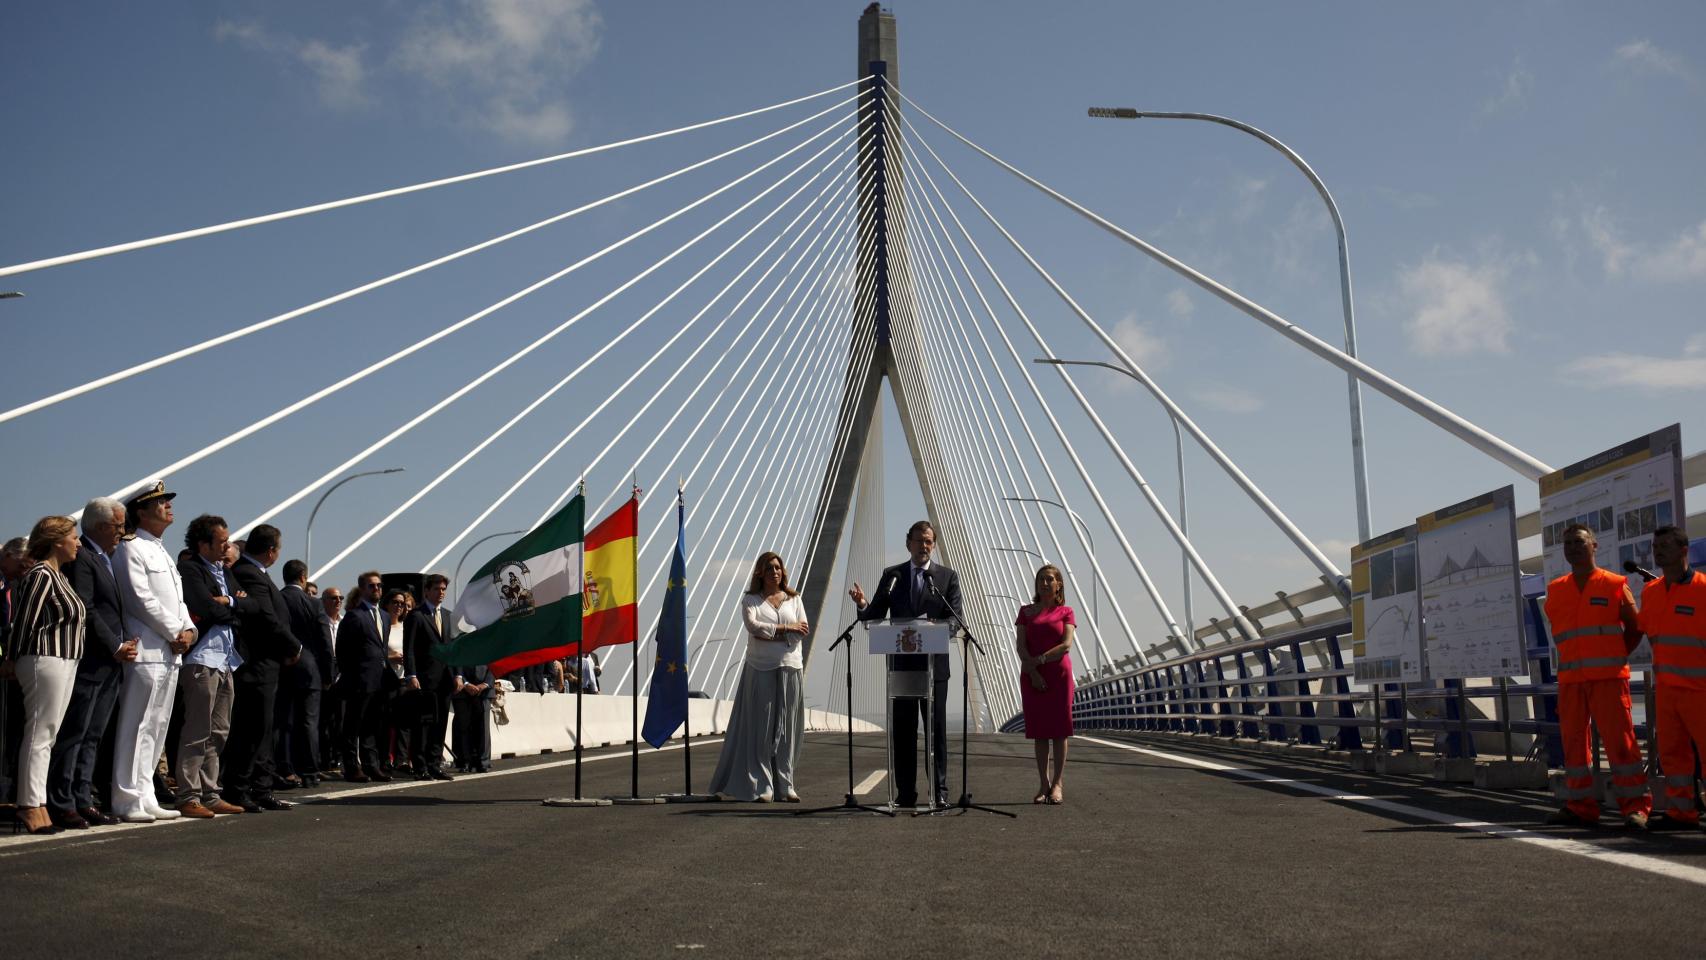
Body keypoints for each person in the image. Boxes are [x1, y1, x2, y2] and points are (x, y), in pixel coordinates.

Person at [1542, 522, 1649, 828]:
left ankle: (1635, 807)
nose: (1573, 548)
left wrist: (1615, 657)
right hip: (1572, 681)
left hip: (1609, 678)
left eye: (1579, 542)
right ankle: (1579, 806)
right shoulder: (1556, 589)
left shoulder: (1614, 584)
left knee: (1622, 742)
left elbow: (1635, 627)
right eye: (1568, 544)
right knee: (1574, 744)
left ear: (1594, 545)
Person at [849, 520, 962, 808]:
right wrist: (863, 604)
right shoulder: (893, 576)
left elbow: (955, 619)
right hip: (900, 667)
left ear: (933, 545)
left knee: (935, 730)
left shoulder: (947, 577)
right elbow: (874, 613)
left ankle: (939, 792)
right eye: (919, 540)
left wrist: (939, 631)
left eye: (929, 541)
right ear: (908, 542)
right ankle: (906, 794)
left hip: (934, 668)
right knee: (904, 730)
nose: (924, 546)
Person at [46, 499, 135, 828]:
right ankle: (62, 800)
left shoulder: (105, 559)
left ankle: (83, 798)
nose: (122, 533)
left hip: (110, 662)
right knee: (75, 732)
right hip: (92, 660)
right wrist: (115, 645)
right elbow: (87, 608)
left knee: (94, 734)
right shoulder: (84, 558)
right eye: (118, 526)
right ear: (100, 526)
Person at [111, 482, 195, 823]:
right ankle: (125, 797)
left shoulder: (161, 550)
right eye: (160, 502)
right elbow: (140, 599)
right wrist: (176, 631)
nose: (167, 506)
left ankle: (145, 793)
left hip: (169, 651)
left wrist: (189, 630)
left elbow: (178, 601)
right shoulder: (130, 548)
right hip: (146, 648)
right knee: (136, 724)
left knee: (157, 726)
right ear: (141, 512)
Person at [3, 517, 86, 834]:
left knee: (46, 735)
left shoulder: (59, 577)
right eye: (73, 537)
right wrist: (11, 657)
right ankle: (29, 804)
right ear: (56, 541)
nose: (77, 543)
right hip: (44, 658)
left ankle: (37, 802)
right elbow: (24, 620)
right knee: (39, 733)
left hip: (65, 659)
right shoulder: (40, 575)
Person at [708, 552, 808, 802]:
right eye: (769, 567)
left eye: (778, 567)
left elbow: (802, 630)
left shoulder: (795, 600)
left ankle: (786, 784)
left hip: (791, 667)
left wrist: (771, 633)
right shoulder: (751, 600)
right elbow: (753, 628)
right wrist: (786, 629)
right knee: (762, 731)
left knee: (787, 731)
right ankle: (764, 785)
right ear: (760, 573)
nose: (775, 571)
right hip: (761, 668)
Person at [223, 525, 304, 812]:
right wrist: (293, 646)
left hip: (267, 663)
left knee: (263, 728)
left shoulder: (258, 574)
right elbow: (267, 619)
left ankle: (260, 787)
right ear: (272, 551)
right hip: (257, 664)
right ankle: (239, 787)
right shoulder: (249, 573)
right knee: (252, 728)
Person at [174, 514, 248, 818]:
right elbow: (204, 607)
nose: (226, 547)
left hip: (227, 659)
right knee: (197, 729)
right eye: (221, 542)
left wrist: (228, 603)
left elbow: (248, 605)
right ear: (203, 544)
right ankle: (188, 794)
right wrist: (233, 606)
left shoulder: (225, 572)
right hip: (202, 658)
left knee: (219, 730)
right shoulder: (191, 569)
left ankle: (211, 792)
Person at [1640, 525, 1706, 831]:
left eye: (1664, 545)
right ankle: (1682, 813)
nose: (1658, 551)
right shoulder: (1651, 592)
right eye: (1655, 546)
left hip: (1700, 690)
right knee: (1673, 755)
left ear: (1683, 550)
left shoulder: (1703, 589)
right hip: (1666, 691)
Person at [1016, 564, 1076, 805]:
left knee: (1060, 731)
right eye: (1041, 579)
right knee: (1040, 732)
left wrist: (1040, 661)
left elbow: (1066, 644)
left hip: (1058, 676)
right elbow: (1021, 646)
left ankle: (1058, 784)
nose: (1045, 583)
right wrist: (1033, 672)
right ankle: (1043, 784)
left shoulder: (1066, 612)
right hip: (1032, 675)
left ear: (1059, 584)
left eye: (1050, 579)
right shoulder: (1026, 612)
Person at [336, 572, 389, 782]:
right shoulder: (354, 616)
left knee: (371, 726)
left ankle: (371, 765)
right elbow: (342, 650)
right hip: (359, 680)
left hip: (379, 681)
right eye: (371, 586)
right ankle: (351, 767)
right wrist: (351, 677)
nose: (376, 589)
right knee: (352, 726)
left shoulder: (384, 616)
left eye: (378, 585)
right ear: (363, 590)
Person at [403, 573, 457, 780]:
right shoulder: (416, 616)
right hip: (424, 679)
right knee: (422, 725)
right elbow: (409, 649)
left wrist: (457, 675)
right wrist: (411, 674)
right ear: (426, 591)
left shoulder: (446, 615)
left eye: (443, 589)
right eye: (437, 589)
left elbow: (451, 648)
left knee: (440, 723)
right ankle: (420, 766)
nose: (441, 593)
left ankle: (435, 764)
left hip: (444, 679)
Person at [278, 559, 326, 788]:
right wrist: (328, 673)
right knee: (309, 722)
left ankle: (286, 767)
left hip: (283, 666)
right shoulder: (314, 604)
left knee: (284, 721)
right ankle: (310, 771)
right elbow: (325, 642)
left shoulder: (277, 598)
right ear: (303, 577)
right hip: (309, 669)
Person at [0, 537, 30, 806]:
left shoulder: (17, 583)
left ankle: (7, 789)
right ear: (7, 555)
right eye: (21, 565)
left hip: (12, 667)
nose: (24, 571)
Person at [450, 662, 494, 773]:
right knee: (463, 727)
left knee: (483, 728)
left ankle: (483, 761)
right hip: (462, 689)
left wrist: (486, 684)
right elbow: (455, 661)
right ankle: (465, 761)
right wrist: (465, 683)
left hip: (484, 690)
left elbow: (496, 665)